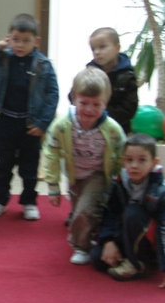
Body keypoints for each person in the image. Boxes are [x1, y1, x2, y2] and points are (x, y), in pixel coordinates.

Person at [41, 67, 126, 265]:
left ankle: (81, 246)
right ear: (74, 99)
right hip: (74, 175)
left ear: (105, 103)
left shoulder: (112, 130)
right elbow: (51, 153)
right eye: (83, 103)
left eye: (96, 104)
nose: (89, 110)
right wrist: (53, 186)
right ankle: (93, 233)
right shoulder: (62, 126)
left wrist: (120, 180)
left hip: (98, 174)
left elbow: (121, 154)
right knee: (81, 209)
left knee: (84, 211)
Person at [0, 14, 59, 221]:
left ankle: (29, 202)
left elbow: (53, 94)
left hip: (30, 124)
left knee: (29, 166)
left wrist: (43, 123)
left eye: (26, 41)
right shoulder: (3, 58)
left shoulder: (43, 64)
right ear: (8, 38)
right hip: (6, 120)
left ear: (36, 41)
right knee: (3, 165)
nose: (20, 45)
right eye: (15, 40)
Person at [90, 133, 165, 291]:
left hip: (152, 243)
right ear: (123, 161)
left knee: (132, 212)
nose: (134, 165)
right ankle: (131, 256)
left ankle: (138, 263)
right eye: (129, 160)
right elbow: (111, 213)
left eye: (142, 160)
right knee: (97, 257)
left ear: (154, 163)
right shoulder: (120, 182)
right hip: (128, 235)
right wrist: (108, 241)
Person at [77, 28, 138, 133]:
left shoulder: (128, 76)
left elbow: (129, 109)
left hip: (117, 131)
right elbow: (74, 96)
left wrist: (100, 114)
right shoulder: (88, 73)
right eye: (93, 49)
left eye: (102, 47)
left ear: (117, 48)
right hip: (90, 131)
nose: (96, 52)